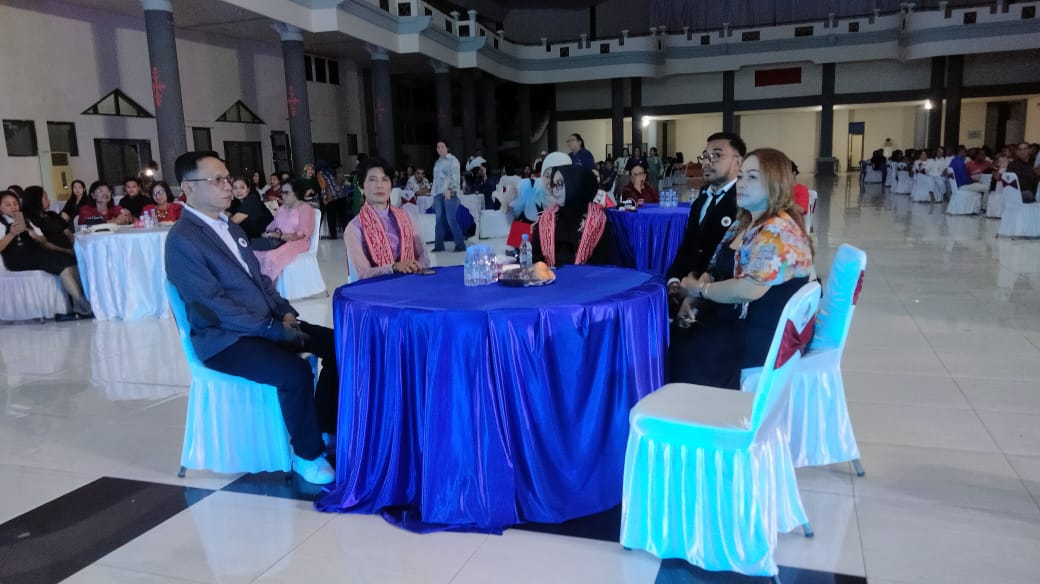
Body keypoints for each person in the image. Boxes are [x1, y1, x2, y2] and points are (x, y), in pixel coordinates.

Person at [164, 150, 338, 485]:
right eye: (216, 179)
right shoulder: (183, 240)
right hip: (224, 340)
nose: (227, 186)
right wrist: (271, 328)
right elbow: (212, 306)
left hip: (264, 324)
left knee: (339, 344)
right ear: (188, 187)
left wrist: (284, 311)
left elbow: (260, 280)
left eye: (227, 178)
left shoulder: (229, 226)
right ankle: (307, 455)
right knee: (294, 372)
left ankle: (324, 428)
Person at [669, 148, 814, 389]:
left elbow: (748, 289)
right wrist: (694, 300)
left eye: (753, 177)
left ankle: (706, 410)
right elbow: (716, 268)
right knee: (671, 337)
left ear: (775, 183)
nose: (742, 183)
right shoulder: (744, 222)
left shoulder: (777, 230)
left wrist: (700, 290)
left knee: (684, 354)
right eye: (741, 176)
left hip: (761, 336)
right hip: (733, 321)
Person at [665, 132, 745, 304]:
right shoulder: (701, 200)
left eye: (716, 155)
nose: (707, 162)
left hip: (718, 295)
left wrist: (698, 292)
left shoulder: (743, 203)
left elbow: (731, 262)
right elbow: (688, 246)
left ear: (738, 162)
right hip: (687, 288)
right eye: (705, 156)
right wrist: (674, 280)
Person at [1, 190, 92, 320]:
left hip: (34, 253)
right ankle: (84, 307)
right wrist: (11, 234)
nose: (13, 207)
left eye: (15, 203)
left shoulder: (24, 219)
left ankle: (79, 306)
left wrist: (34, 235)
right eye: (8, 205)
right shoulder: (1, 224)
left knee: (69, 261)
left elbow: (43, 240)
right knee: (61, 265)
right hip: (17, 258)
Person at [344, 158, 429, 280]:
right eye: (372, 179)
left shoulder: (407, 218)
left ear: (391, 186)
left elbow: (423, 255)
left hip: (412, 282)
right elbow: (363, 273)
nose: (380, 185)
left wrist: (418, 267)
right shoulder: (355, 228)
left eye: (385, 179)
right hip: (378, 288)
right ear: (361, 187)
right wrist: (393, 268)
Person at [531, 165, 612, 267]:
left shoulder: (597, 220)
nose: (554, 190)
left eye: (559, 184)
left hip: (586, 275)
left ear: (574, 185)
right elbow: (536, 256)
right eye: (553, 184)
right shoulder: (547, 217)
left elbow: (601, 262)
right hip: (549, 274)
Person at [253, 178, 315, 281]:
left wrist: (280, 236)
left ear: (296, 193)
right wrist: (267, 233)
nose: (283, 195)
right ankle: (258, 284)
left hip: (297, 242)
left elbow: (302, 234)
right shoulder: (282, 208)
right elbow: (273, 225)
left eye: (286, 193)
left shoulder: (305, 208)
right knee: (254, 252)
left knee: (271, 256)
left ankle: (268, 286)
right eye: (282, 192)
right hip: (279, 240)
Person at [431, 140, 464, 252]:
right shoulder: (437, 162)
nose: (440, 149)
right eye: (438, 147)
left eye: (442, 147)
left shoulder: (452, 160)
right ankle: (439, 245)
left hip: (450, 192)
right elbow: (435, 180)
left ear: (447, 148)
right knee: (439, 220)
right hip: (438, 193)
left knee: (451, 219)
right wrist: (434, 196)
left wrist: (450, 189)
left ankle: (460, 244)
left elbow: (455, 177)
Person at [229, 176, 277, 248]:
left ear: (248, 189)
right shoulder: (237, 202)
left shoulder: (252, 201)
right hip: (256, 238)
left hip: (269, 239)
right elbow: (225, 215)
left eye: (242, 187)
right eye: (235, 188)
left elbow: (232, 222)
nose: (238, 191)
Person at [21, 186, 73, 251]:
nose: (49, 200)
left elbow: (67, 231)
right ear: (36, 201)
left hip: (69, 248)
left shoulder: (52, 214)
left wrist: (73, 246)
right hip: (53, 253)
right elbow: (44, 244)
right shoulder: (31, 221)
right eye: (45, 198)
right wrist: (67, 251)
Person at [317, 161, 347, 240]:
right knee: (342, 217)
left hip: (331, 198)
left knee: (331, 218)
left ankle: (333, 236)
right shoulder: (330, 171)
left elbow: (323, 186)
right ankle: (347, 233)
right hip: (340, 195)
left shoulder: (320, 174)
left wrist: (324, 198)